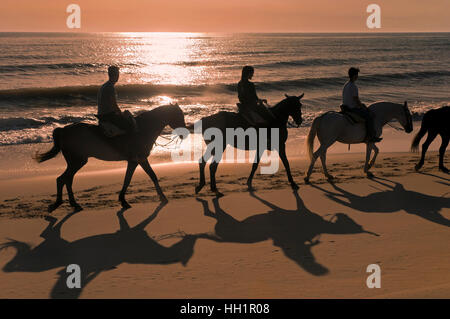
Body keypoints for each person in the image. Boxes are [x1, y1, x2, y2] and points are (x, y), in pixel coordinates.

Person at [342, 67, 382, 143]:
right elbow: (356, 100)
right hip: (352, 108)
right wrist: (362, 106)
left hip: (346, 107)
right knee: (369, 117)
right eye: (357, 74)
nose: (357, 76)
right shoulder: (353, 86)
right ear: (354, 75)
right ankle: (371, 136)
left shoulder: (346, 84)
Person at [97, 66, 137, 134]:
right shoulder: (110, 87)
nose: (118, 76)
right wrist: (121, 114)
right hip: (108, 116)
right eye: (117, 74)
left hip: (101, 114)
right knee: (129, 124)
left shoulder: (104, 86)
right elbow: (113, 105)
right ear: (115, 75)